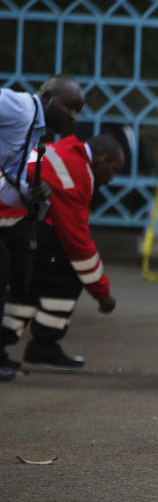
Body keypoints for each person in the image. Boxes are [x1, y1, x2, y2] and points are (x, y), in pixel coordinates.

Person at [0, 135, 123, 372]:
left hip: (14, 221)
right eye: (113, 169)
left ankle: (11, 340)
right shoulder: (75, 173)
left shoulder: (66, 150)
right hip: (10, 220)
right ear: (101, 160)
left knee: (29, 275)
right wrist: (102, 293)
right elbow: (76, 241)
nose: (112, 178)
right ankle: (43, 343)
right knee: (66, 270)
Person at [0, 76, 84, 380]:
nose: (73, 116)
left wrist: (29, 190)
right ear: (46, 97)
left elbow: (9, 181)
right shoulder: (21, 108)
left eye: (78, 110)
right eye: (69, 106)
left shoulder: (36, 134)